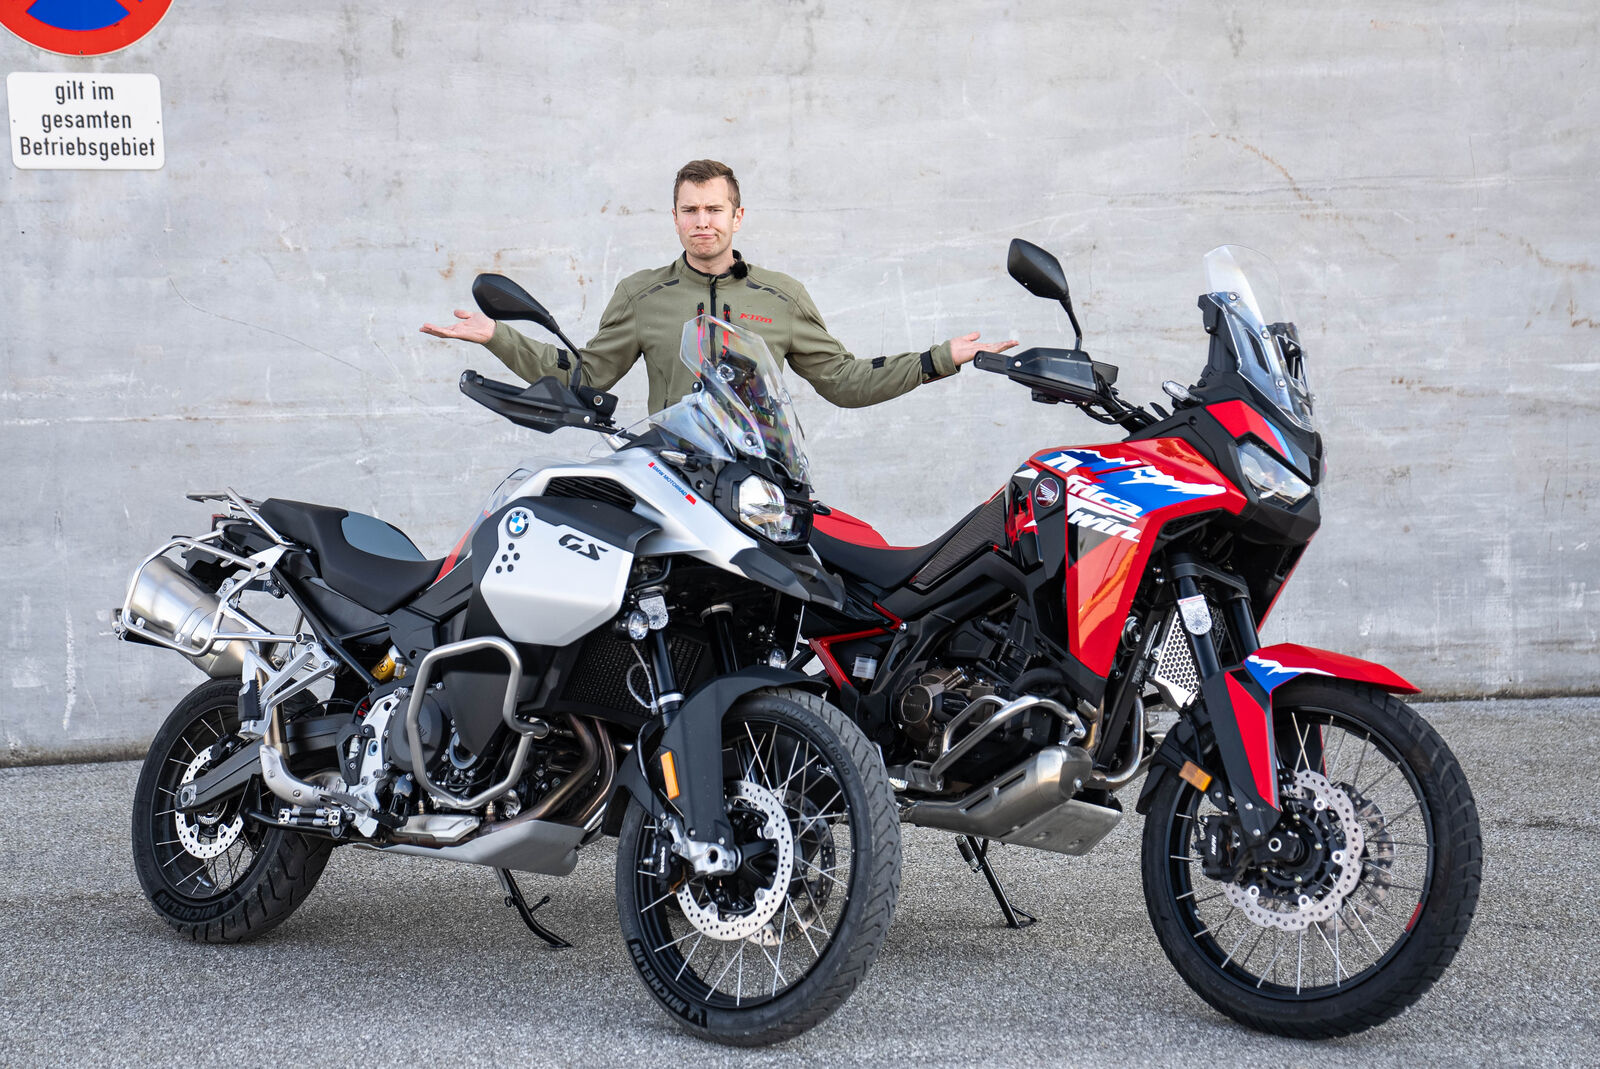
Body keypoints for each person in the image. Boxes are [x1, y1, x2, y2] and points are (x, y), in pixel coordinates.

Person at [421, 159, 1016, 414]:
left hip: (760, 481)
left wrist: (940, 358)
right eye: (690, 210)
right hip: (668, 477)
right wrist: (498, 336)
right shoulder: (641, 296)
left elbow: (844, 380)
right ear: (675, 217)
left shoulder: (781, 297)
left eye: (714, 209)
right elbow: (586, 375)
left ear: (737, 216)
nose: (702, 221)